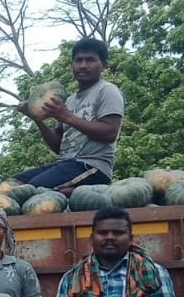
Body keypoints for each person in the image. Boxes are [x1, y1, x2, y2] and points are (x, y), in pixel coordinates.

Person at [14, 37, 125, 194]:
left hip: (91, 167)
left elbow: (110, 133)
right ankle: (68, 192)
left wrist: (66, 116)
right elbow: (58, 147)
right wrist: (36, 119)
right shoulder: (70, 101)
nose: (83, 65)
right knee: (13, 185)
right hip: (65, 165)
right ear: (72, 64)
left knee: (31, 191)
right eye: (78, 60)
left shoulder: (107, 91)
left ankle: (84, 191)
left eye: (90, 60)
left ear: (104, 65)